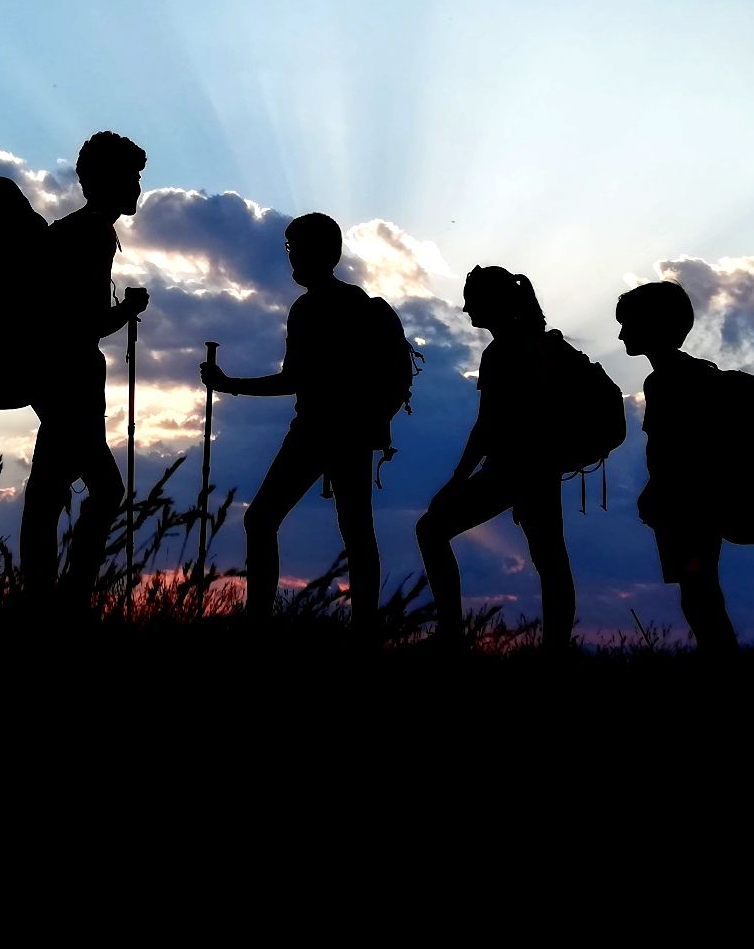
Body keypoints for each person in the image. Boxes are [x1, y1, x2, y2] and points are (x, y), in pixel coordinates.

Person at [201, 213, 389, 635]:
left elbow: (293, 380)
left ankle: (258, 623)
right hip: (354, 433)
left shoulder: (309, 309)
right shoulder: (356, 301)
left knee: (262, 519)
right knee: (357, 531)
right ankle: (365, 630)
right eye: (290, 248)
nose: (291, 257)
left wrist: (230, 385)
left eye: (295, 248)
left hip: (318, 431)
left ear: (321, 252)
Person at [20, 131, 150, 604]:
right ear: (108, 180)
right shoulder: (94, 233)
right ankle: (65, 600)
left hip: (52, 379)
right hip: (71, 382)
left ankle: (45, 596)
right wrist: (129, 308)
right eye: (131, 177)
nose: (137, 187)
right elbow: (87, 323)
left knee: (49, 491)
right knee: (102, 490)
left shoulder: (68, 229)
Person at [416, 266, 575, 652]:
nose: (465, 308)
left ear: (491, 303)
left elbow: (486, 426)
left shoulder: (503, 351)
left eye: (471, 300)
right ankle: (555, 651)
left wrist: (456, 482)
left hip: (514, 469)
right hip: (541, 467)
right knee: (551, 560)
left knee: (431, 529)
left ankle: (451, 637)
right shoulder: (534, 344)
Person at [616, 279, 737, 653]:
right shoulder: (694, 374)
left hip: (686, 506)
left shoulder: (666, 381)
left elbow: (673, 449)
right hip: (698, 502)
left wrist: (655, 491)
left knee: (699, 593)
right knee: (700, 590)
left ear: (653, 326)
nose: (621, 335)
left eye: (628, 324)